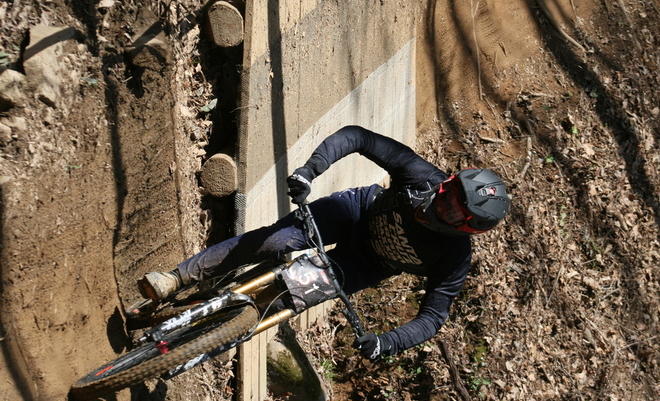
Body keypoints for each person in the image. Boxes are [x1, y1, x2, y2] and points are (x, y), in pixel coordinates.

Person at [138, 125, 510, 360]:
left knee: (282, 303)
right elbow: (359, 137)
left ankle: (196, 334)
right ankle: (176, 278)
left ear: (466, 229)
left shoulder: (453, 257)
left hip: (364, 265)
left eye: (451, 209)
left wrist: (388, 342)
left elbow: (433, 317)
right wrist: (309, 171)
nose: (440, 202)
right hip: (354, 213)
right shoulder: (421, 176)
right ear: (449, 181)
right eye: (448, 192)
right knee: (275, 241)